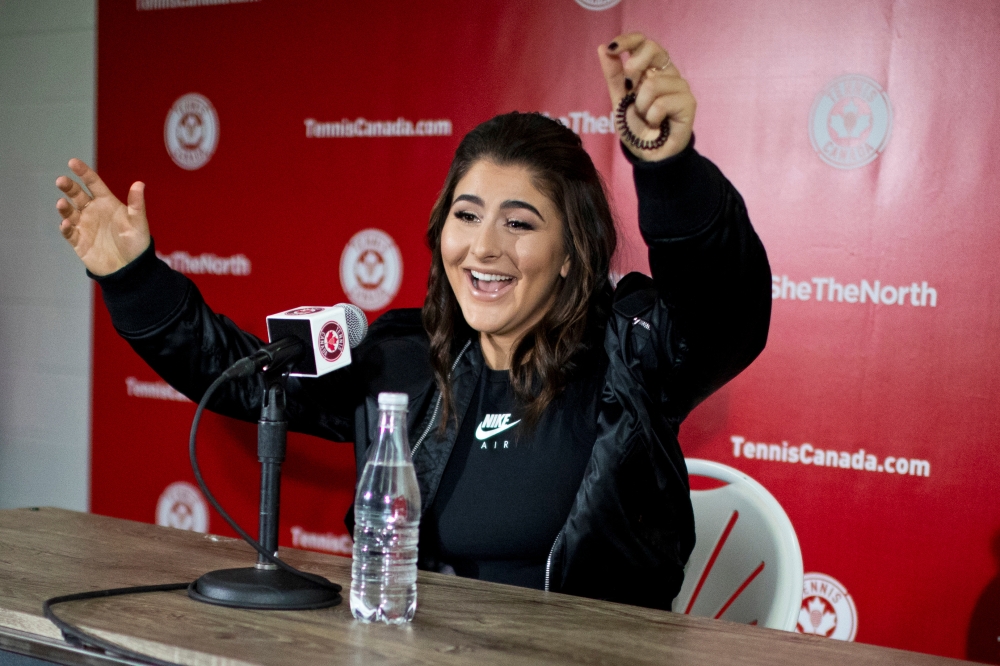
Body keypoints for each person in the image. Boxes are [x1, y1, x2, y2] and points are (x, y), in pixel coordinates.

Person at [56, 33, 770, 610]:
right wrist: (131, 276)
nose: (483, 247)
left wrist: (668, 170)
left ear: (569, 253)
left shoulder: (632, 353)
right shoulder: (407, 358)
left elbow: (725, 313)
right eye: (466, 216)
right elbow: (244, 381)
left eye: (519, 223)